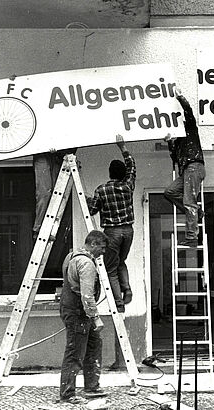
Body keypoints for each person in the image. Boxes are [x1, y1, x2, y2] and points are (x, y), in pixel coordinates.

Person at [86, 134, 136, 370]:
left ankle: (119, 301)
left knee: (110, 268)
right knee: (121, 262)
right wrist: (123, 147)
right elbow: (133, 166)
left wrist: (87, 199)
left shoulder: (102, 189)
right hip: (128, 230)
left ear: (109, 172)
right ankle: (127, 290)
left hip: (112, 232)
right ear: (122, 173)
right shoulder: (128, 185)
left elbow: (94, 210)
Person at [58, 230, 109, 404]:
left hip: (72, 309)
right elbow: (87, 295)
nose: (103, 252)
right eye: (101, 248)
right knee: (75, 351)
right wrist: (96, 318)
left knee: (94, 344)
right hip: (78, 313)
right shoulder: (86, 264)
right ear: (93, 244)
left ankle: (92, 387)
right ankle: (67, 394)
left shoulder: (72, 255)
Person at [163, 89, 206, 247]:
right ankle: (197, 214)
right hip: (187, 170)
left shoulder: (190, 130)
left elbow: (188, 111)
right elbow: (174, 158)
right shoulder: (178, 142)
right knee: (169, 192)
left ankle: (192, 237)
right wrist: (169, 142)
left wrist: (180, 97)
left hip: (194, 167)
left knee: (189, 201)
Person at [32, 147, 77, 240]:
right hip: (42, 153)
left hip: (57, 156)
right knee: (44, 193)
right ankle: (39, 229)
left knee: (57, 193)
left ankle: (48, 228)